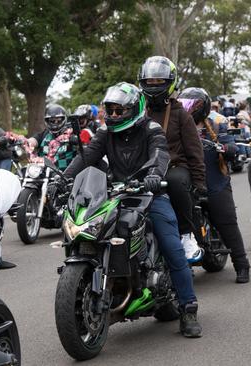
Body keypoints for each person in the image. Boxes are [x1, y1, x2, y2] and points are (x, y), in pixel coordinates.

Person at [64, 82, 202, 337]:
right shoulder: (106, 133)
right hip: (115, 194)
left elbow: (160, 155)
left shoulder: (152, 129)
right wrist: (63, 179)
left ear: (134, 109)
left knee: (172, 246)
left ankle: (188, 308)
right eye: (111, 111)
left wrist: (153, 175)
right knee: (89, 230)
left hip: (150, 194)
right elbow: (86, 157)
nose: (114, 116)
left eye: (120, 111)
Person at [179, 87, 251, 283]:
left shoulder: (217, 122)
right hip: (187, 184)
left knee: (227, 222)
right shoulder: (177, 123)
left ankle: (241, 264)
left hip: (215, 182)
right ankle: (182, 268)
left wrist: (224, 147)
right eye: (184, 104)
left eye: (193, 105)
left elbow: (233, 146)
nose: (188, 108)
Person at [138, 55, 206, 263]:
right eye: (150, 81)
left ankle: (186, 235)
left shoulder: (180, 114)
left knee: (176, 181)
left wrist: (199, 184)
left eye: (159, 81)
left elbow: (195, 152)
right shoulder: (137, 112)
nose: (154, 85)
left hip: (175, 167)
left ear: (170, 83)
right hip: (146, 168)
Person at [28, 104, 76, 171]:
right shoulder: (45, 134)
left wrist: (75, 140)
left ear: (64, 119)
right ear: (47, 121)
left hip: (65, 176)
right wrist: (26, 142)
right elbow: (33, 140)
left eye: (58, 120)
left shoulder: (72, 133)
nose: (55, 123)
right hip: (42, 174)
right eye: (52, 121)